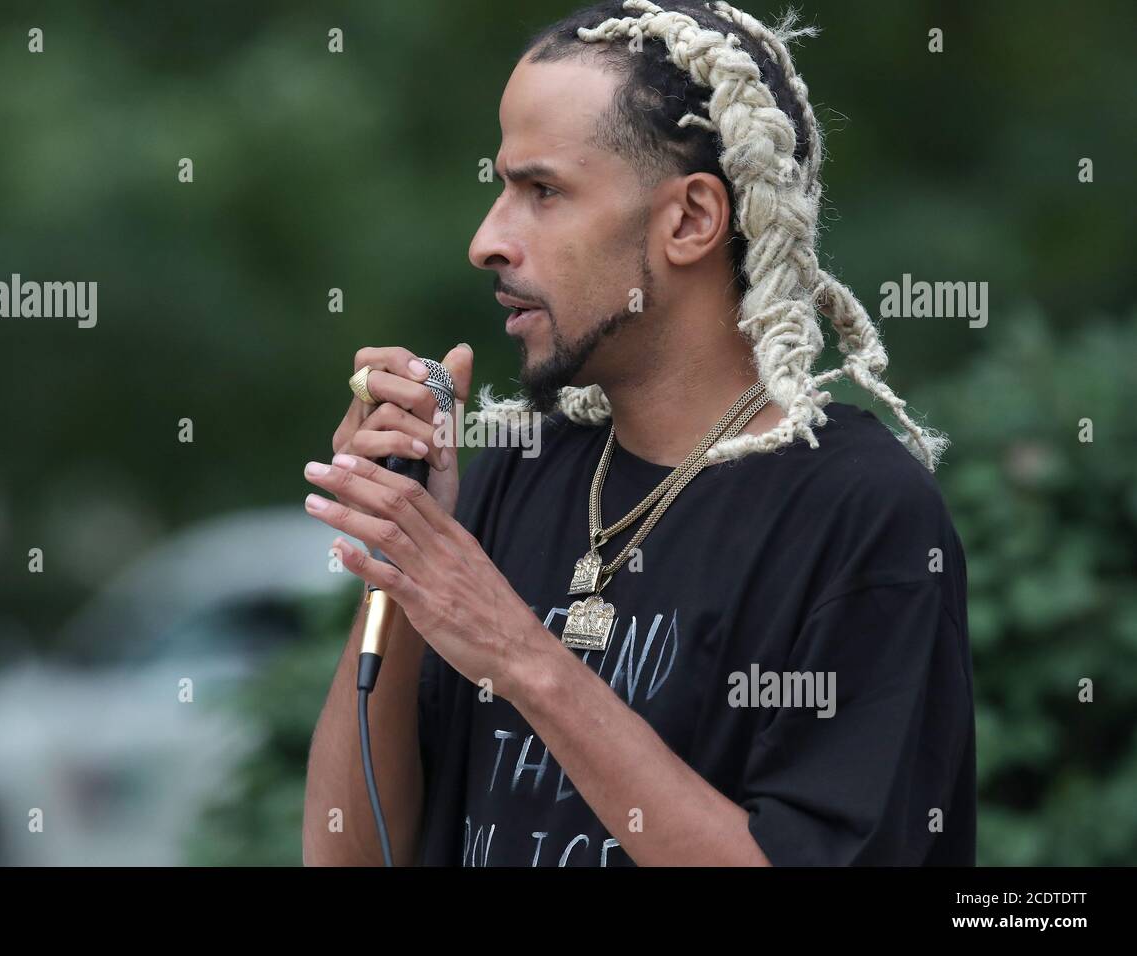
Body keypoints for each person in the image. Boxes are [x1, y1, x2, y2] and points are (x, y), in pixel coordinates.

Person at [301, 0, 975, 867]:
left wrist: (521, 656)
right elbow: (349, 856)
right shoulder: (525, 469)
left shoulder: (859, 512)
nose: (487, 241)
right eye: (501, 187)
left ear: (690, 220)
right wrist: (395, 554)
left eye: (542, 191)